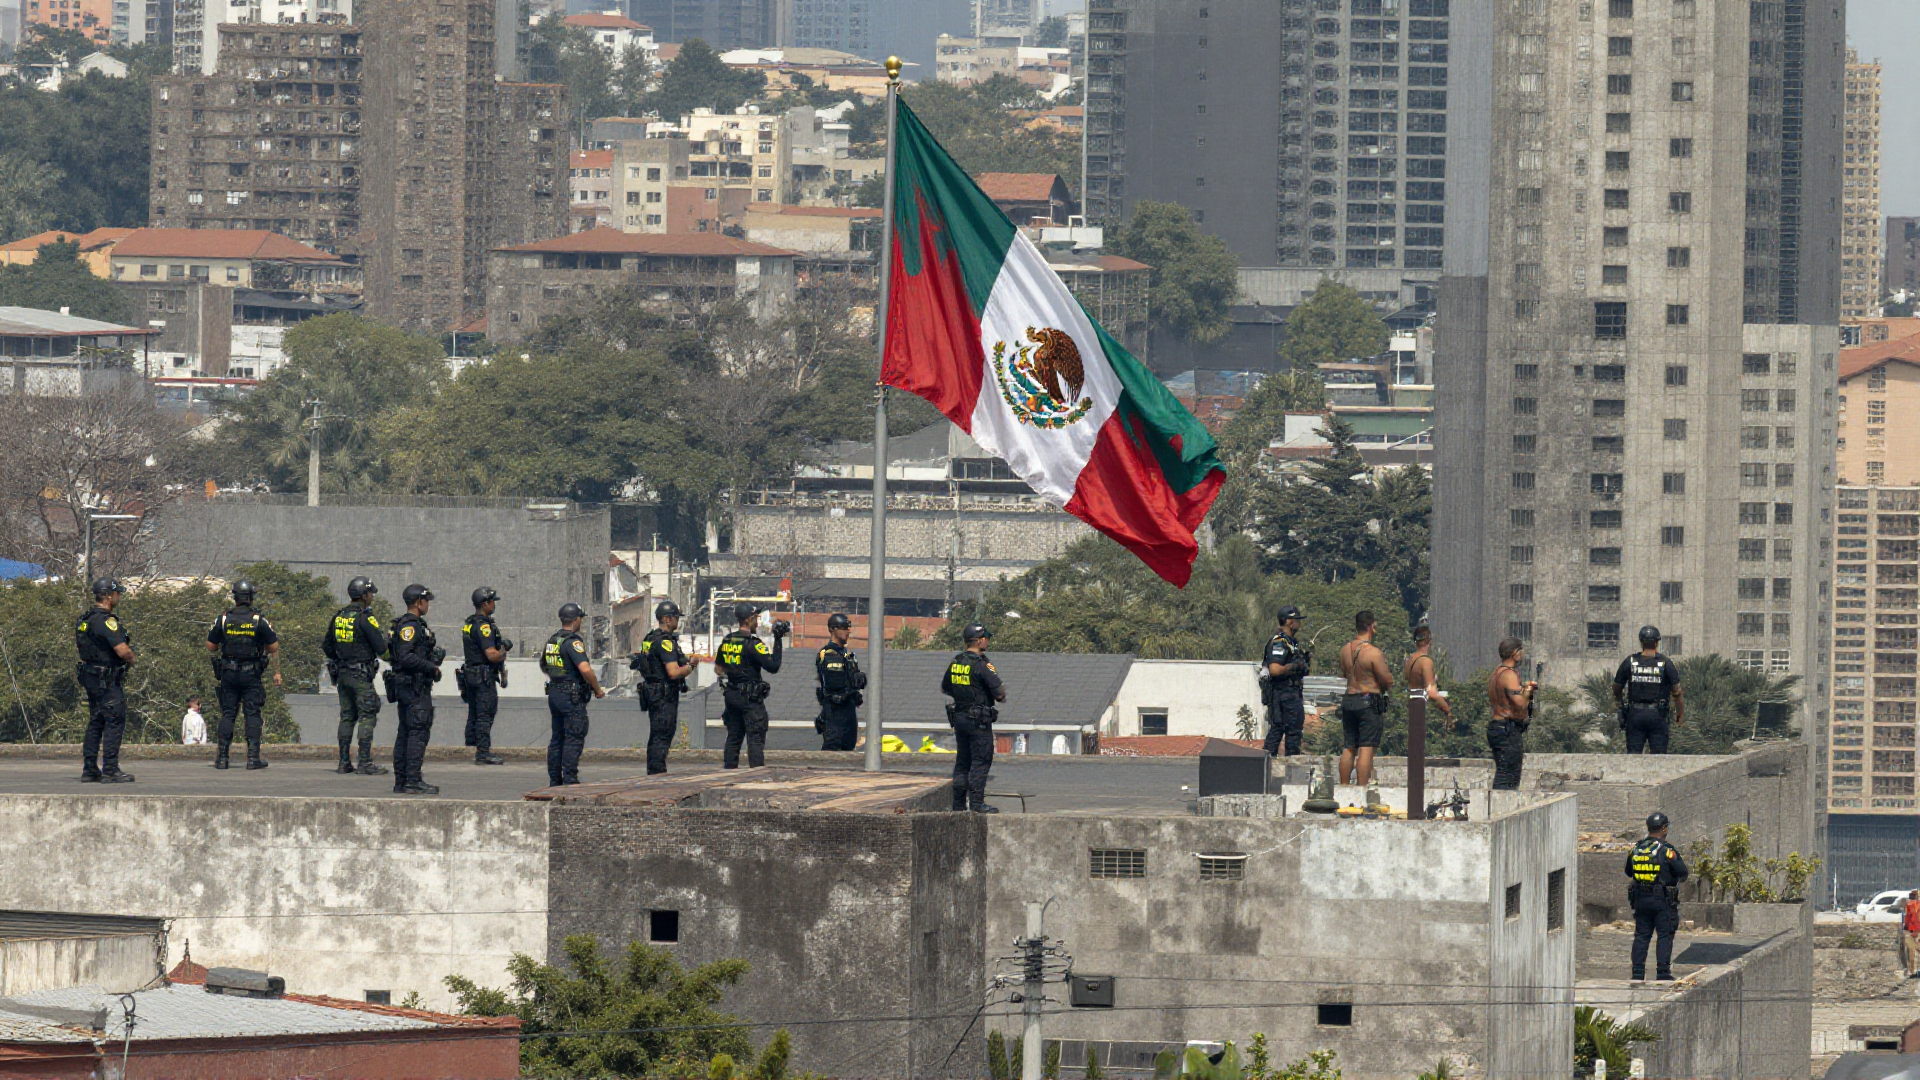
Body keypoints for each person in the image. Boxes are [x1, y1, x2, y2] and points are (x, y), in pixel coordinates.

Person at [203, 578, 281, 771]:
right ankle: (253, 758)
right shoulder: (258, 620)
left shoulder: (223, 619)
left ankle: (222, 758)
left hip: (228, 672)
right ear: (251, 598)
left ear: (235, 597)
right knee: (252, 713)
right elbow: (273, 646)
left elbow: (210, 646)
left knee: (228, 713)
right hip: (251, 673)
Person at [322, 576, 389, 776]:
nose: (372, 597)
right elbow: (381, 648)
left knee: (347, 716)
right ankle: (365, 762)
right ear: (363, 596)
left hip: (342, 674)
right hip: (361, 674)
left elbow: (327, 646)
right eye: (371, 594)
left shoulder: (339, 617)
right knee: (367, 715)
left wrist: (342, 658)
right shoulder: (365, 618)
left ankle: (344, 762)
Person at [75, 577, 136, 783]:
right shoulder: (106, 621)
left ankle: (90, 767)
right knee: (114, 720)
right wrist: (131, 658)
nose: (119, 597)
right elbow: (121, 649)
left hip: (90, 676)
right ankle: (110, 768)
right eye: (117, 593)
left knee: (96, 721)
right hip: (106, 678)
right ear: (109, 596)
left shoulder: (85, 619)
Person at [942, 623, 1007, 813]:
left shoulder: (956, 662)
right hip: (978, 721)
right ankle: (977, 804)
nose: (988, 641)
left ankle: (959, 805)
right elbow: (1000, 695)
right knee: (980, 761)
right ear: (979, 640)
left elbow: (944, 687)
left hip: (960, 718)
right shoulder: (982, 664)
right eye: (986, 638)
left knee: (963, 762)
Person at [388, 584, 444, 795]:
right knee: (417, 732)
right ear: (419, 602)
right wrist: (431, 668)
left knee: (406, 731)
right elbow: (406, 656)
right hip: (414, 686)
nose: (428, 604)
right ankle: (412, 780)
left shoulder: (405, 624)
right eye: (426, 600)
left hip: (407, 685)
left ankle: (402, 780)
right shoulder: (411, 626)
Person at [716, 603, 786, 769]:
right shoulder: (753, 644)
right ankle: (756, 778)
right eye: (756, 618)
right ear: (748, 620)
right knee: (755, 739)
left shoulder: (728, 640)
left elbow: (718, 668)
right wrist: (778, 639)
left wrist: (733, 677)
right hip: (750, 699)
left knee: (733, 737)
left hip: (732, 696)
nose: (758, 621)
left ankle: (728, 774)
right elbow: (773, 666)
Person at [542, 602, 604, 786]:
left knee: (557, 738)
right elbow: (585, 670)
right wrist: (597, 689)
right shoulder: (573, 642)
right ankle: (570, 779)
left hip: (555, 691)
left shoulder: (553, 640)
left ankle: (555, 780)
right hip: (571, 695)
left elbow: (545, 665)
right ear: (576, 620)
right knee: (573, 736)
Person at [631, 600, 696, 775]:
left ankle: (654, 771)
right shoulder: (665, 642)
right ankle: (657, 773)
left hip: (652, 691)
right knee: (662, 734)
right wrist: (691, 667)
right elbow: (673, 672)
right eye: (675, 617)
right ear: (667, 619)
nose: (677, 621)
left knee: (657, 734)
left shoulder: (650, 638)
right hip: (663, 694)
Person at [1626, 811, 1690, 983]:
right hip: (1662, 900)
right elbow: (1683, 872)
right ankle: (1663, 972)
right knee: (1665, 934)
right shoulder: (1667, 850)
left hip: (1640, 899)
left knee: (1641, 935)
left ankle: (1637, 973)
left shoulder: (1636, 848)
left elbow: (1628, 871)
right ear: (1663, 828)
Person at [1336, 610, 1393, 786]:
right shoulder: (1374, 653)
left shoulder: (1345, 650)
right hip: (1368, 701)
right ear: (1371, 627)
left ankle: (1344, 787)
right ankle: (1361, 790)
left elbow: (1345, 674)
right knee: (1366, 749)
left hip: (1349, 699)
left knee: (1349, 746)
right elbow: (1387, 680)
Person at [460, 587, 512, 766]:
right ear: (485, 604)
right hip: (483, 676)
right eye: (492, 601)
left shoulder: (469, 623)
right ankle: (483, 752)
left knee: (475, 712)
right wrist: (504, 649)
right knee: (485, 712)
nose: (494, 604)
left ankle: (472, 745)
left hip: (472, 674)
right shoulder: (483, 626)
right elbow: (492, 655)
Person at [1613, 626, 1684, 754]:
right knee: (1658, 757)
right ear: (1657, 642)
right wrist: (1680, 712)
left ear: (1641, 642)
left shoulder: (1630, 661)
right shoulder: (1665, 663)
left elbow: (1617, 687)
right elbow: (1677, 691)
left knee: (1633, 756)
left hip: (1635, 714)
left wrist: (1620, 705)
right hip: (1658, 715)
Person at [1486, 637, 1536, 791]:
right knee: (1508, 774)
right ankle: (1500, 808)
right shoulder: (1508, 674)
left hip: (1498, 726)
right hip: (1507, 728)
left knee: (1504, 771)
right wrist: (1528, 690)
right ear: (1514, 653)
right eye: (1521, 651)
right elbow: (1520, 703)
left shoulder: (1496, 673)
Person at [1261, 606, 1308, 758]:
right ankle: (1269, 770)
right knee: (1286, 733)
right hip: (1284, 694)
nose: (1298, 625)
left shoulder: (1291, 642)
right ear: (1289, 622)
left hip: (1290, 693)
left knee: (1286, 732)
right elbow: (1274, 669)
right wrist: (1293, 667)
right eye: (1296, 621)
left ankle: (1268, 768)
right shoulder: (1280, 642)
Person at [814, 613, 866, 751]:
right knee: (832, 749)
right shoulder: (827, 653)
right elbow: (834, 683)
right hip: (834, 711)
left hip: (849, 710)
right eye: (844, 628)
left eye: (848, 627)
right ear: (833, 629)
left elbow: (858, 682)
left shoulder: (849, 656)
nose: (848, 631)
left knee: (849, 747)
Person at [1404, 625, 1454, 732]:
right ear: (1429, 642)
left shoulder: (1410, 660)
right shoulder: (1426, 662)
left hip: (1409, 706)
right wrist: (1447, 709)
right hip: (1421, 709)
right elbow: (1431, 693)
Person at [1903, 891, 1920, 979]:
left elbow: (1909, 919)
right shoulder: (1912, 905)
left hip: (1913, 931)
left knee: (1912, 953)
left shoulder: (1910, 906)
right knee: (1914, 952)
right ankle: (1914, 971)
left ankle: (1913, 971)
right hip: (1914, 931)